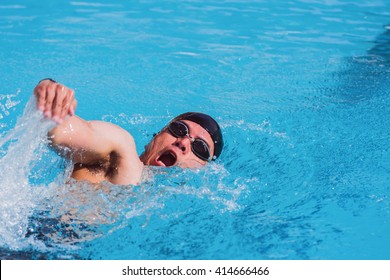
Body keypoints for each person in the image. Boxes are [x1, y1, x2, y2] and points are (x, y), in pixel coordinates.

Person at [33, 79, 223, 185]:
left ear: (204, 169)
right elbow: (62, 133)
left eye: (199, 147)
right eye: (179, 129)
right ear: (156, 136)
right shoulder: (120, 151)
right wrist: (54, 102)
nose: (183, 142)